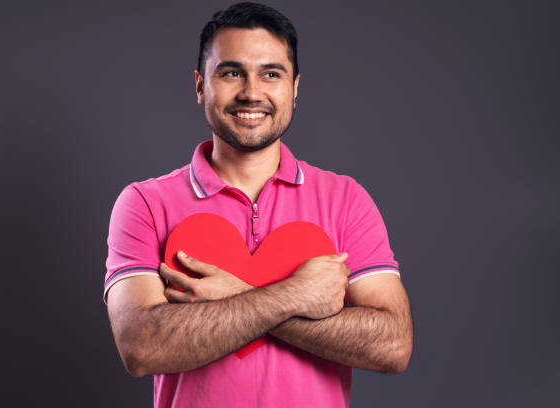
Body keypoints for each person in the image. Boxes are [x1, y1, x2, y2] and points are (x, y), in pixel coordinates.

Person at [103, 2, 413, 407]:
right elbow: (141, 347)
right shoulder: (144, 203)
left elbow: (392, 345)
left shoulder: (346, 200)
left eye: (271, 74)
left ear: (294, 89)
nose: (251, 92)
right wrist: (293, 296)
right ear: (200, 86)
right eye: (231, 72)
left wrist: (235, 296)